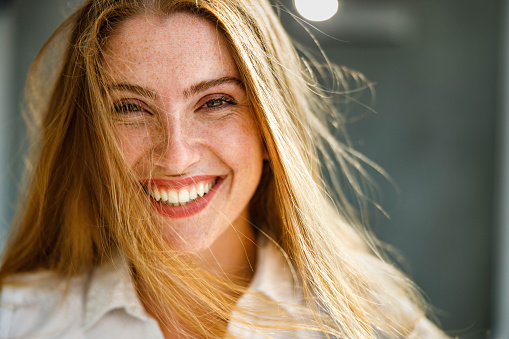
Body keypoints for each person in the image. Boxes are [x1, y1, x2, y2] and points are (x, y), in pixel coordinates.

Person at [0, 0, 450, 338]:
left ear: (271, 130)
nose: (176, 156)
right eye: (130, 108)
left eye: (216, 102)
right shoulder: (18, 321)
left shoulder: (373, 324)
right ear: (91, 139)